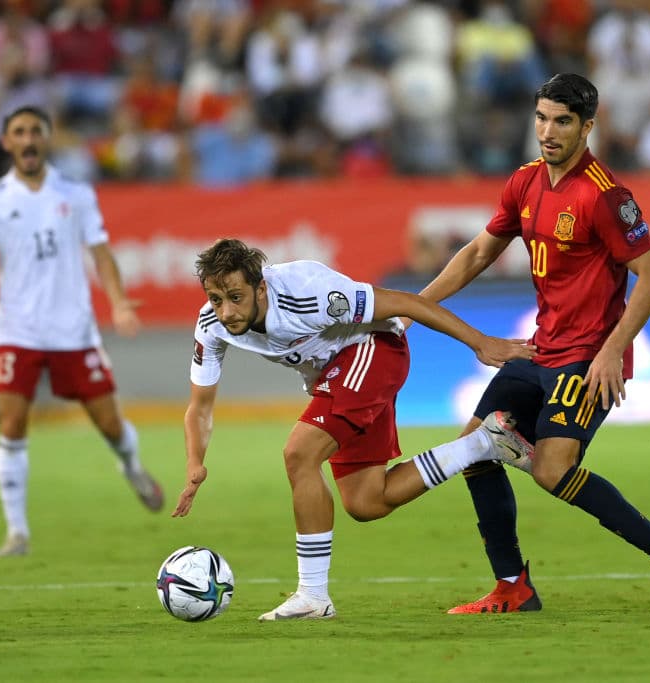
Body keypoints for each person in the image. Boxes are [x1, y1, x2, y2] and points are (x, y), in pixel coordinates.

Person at [416, 73, 650, 614]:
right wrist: (414, 310)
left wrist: (614, 349)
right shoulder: (523, 182)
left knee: (550, 470)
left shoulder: (605, 195)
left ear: (587, 126)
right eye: (542, 118)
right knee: (472, 450)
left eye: (562, 121)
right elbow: (479, 253)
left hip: (589, 357)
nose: (548, 131)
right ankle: (512, 586)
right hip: (540, 349)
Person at [172, 238, 537, 621]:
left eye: (235, 297)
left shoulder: (310, 291)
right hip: (336, 374)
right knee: (367, 502)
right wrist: (195, 463)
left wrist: (481, 343)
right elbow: (199, 407)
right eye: (216, 299)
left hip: (372, 347)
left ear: (260, 288)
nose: (226, 311)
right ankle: (484, 443)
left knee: (300, 453)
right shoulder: (212, 325)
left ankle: (313, 595)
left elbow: (407, 304)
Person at [0, 105, 165, 558]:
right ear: (6, 142)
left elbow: (101, 254)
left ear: (47, 139)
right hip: (17, 331)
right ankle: (17, 532)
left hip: (73, 331)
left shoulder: (76, 194)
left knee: (109, 425)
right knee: (11, 423)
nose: (27, 139)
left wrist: (119, 301)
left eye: (35, 131)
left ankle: (132, 466)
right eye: (19, 131)